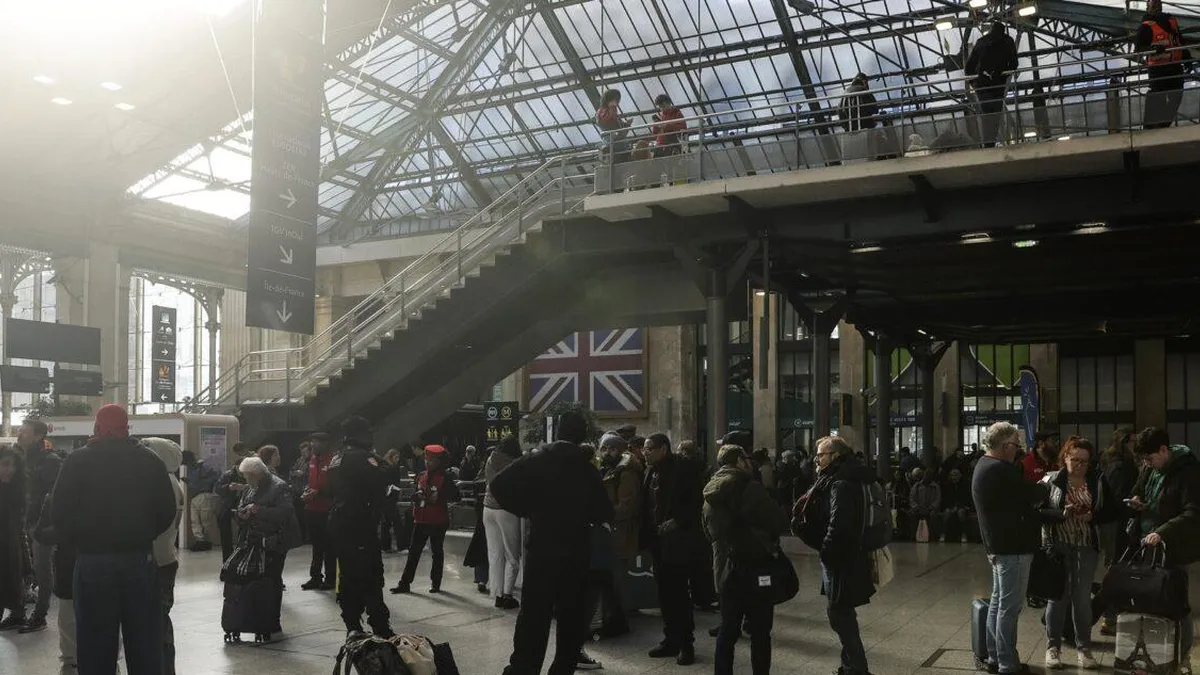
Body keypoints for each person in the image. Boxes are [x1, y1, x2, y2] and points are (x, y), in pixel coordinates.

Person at [50, 404, 177, 675]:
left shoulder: (77, 461)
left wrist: (81, 539)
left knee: (95, 638)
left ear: (97, 428)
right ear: (127, 428)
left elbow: (59, 511)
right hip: (139, 558)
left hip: (92, 560)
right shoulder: (150, 460)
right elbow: (167, 510)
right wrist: (143, 535)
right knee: (144, 637)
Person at [490, 410, 613, 675]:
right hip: (575, 552)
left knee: (534, 613)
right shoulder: (587, 469)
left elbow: (498, 485)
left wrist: (527, 509)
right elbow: (604, 511)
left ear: (557, 431)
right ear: (582, 436)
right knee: (571, 616)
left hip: (541, 548)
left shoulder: (536, 459)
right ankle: (562, 668)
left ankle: (524, 668)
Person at [703, 444, 789, 675]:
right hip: (758, 566)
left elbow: (708, 530)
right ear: (740, 461)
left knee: (728, 629)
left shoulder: (710, 488)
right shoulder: (751, 488)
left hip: (728, 566)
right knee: (760, 631)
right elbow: (778, 522)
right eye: (746, 459)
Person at [973, 421, 1049, 675]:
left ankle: (995, 657)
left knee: (998, 603)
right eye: (1016, 446)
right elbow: (1031, 494)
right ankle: (1007, 664)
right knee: (1009, 607)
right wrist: (1048, 484)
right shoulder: (1000, 469)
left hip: (997, 545)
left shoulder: (983, 464)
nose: (1018, 450)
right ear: (1005, 446)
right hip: (1012, 547)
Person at [1039, 437, 1116, 671]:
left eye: (1085, 461)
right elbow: (1037, 511)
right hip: (1058, 546)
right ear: (1065, 458)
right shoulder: (1050, 480)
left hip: (1086, 545)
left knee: (1082, 599)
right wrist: (1061, 514)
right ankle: (1053, 647)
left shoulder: (1097, 481)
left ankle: (1084, 648)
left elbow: (1111, 511)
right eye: (1075, 460)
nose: (1080, 465)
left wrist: (1092, 516)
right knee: (1058, 597)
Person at [1128, 427, 1200, 673]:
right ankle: (1157, 657)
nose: (1147, 464)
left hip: (1174, 547)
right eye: (1143, 461)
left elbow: (1193, 512)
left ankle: (1183, 658)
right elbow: (1138, 489)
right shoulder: (1149, 468)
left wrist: (1163, 532)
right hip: (1147, 544)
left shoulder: (1188, 471)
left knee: (1178, 605)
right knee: (1151, 604)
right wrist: (1136, 500)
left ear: (1163, 450)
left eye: (1150, 459)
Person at [803, 436, 876, 675]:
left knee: (838, 614)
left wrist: (826, 552)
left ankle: (858, 668)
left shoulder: (841, 483)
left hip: (841, 558)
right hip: (852, 554)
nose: (817, 460)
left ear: (835, 456)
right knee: (844, 612)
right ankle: (851, 666)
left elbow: (839, 524)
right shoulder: (852, 476)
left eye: (821, 455)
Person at [328, 416, 395, 638]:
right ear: (360, 435)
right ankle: (379, 625)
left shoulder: (337, 457)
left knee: (347, 573)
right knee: (371, 574)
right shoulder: (361, 457)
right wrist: (379, 459)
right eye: (368, 433)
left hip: (340, 522)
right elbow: (385, 474)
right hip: (359, 524)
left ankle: (352, 624)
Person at [642, 432, 704, 666]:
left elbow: (696, 500)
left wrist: (678, 520)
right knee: (665, 593)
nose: (645, 452)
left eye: (650, 448)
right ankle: (671, 639)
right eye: (645, 448)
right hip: (658, 541)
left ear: (664, 449)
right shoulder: (650, 471)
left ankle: (686, 644)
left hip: (679, 541)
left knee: (679, 593)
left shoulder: (682, 468)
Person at [235, 455, 301, 637]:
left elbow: (285, 513)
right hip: (255, 539)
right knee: (257, 579)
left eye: (248, 476)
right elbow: (241, 506)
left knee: (272, 579)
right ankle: (257, 619)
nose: (246, 480)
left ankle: (272, 621)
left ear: (257, 474)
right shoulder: (251, 487)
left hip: (276, 540)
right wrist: (241, 515)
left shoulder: (279, 487)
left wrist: (259, 510)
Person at [393, 444, 460, 594]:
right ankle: (404, 583)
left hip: (438, 520)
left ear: (439, 461)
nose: (427, 462)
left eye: (431, 459)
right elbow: (416, 493)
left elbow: (457, 496)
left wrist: (440, 496)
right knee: (414, 552)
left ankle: (436, 583)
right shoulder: (421, 475)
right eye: (426, 459)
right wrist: (417, 496)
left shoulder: (446, 477)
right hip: (421, 518)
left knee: (437, 552)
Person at [144, 437, 185, 675]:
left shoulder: (163, 483)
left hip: (158, 561)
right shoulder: (171, 481)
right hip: (165, 557)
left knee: (157, 622)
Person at [17, 419, 61, 633]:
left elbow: (53, 495)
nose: (20, 434)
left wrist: (41, 525)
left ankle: (40, 614)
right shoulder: (18, 457)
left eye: (25, 431)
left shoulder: (50, 461)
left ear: (38, 436)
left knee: (42, 568)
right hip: (21, 521)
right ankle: (17, 612)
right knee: (20, 566)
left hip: (40, 525)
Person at [1098, 427, 1139, 635]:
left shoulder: (1112, 461)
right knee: (1116, 569)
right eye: (1132, 441)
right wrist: (1134, 505)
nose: (1135, 445)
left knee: (1115, 568)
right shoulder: (1120, 466)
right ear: (1124, 442)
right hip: (1118, 524)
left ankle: (1112, 615)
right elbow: (1119, 498)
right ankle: (1110, 616)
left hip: (1114, 524)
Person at [484, 435, 524, 609]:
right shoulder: (516, 463)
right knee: (512, 556)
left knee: (495, 554)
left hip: (488, 509)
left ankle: (497, 595)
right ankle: (508, 595)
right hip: (507, 510)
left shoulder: (490, 459)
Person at [1137, 0, 1190, 129]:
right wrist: (1153, 48)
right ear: (1147, 7)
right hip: (1158, 70)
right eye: (1153, 4)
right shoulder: (1145, 27)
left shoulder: (1171, 20)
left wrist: (1187, 57)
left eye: (1158, 4)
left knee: (1175, 98)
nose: (1156, 7)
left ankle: (1162, 126)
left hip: (1175, 67)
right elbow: (1138, 49)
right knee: (1157, 98)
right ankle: (1150, 128)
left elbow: (1178, 40)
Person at [965, 22, 1018, 146]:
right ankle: (990, 143)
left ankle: (988, 144)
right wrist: (1001, 74)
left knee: (986, 115)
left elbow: (969, 67)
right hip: (997, 85)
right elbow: (1014, 64)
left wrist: (974, 82)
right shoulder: (1007, 41)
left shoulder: (981, 41)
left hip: (982, 85)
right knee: (995, 116)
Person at [301, 432, 337, 591]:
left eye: (315, 442)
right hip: (312, 508)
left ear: (325, 443)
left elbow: (336, 487)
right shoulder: (312, 460)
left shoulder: (334, 461)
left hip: (327, 509)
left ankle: (330, 578)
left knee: (329, 546)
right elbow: (311, 481)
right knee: (316, 546)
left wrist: (319, 493)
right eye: (312, 442)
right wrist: (307, 491)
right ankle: (315, 577)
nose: (312, 445)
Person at [0, 445, 27, 631]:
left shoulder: (17, 490)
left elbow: (19, 529)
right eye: (5, 464)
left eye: (13, 465)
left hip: (9, 550)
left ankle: (17, 614)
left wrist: (26, 563)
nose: (10, 469)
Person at [214, 443, 255, 561]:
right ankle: (227, 559)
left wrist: (244, 487)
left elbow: (255, 487)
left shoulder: (249, 475)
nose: (242, 472)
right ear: (236, 466)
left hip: (242, 505)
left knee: (244, 531)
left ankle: (241, 556)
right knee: (225, 533)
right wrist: (229, 487)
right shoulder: (227, 475)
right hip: (226, 505)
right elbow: (217, 488)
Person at [182, 449, 220, 553]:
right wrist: (190, 482)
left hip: (204, 494)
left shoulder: (204, 466)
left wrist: (201, 484)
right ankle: (200, 541)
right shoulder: (192, 469)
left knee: (205, 521)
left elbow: (216, 476)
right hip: (195, 496)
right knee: (195, 520)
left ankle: (205, 541)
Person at [378, 448, 406, 553]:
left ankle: (385, 546)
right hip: (391, 498)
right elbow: (395, 482)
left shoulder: (383, 467)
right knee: (397, 522)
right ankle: (401, 546)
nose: (397, 459)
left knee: (386, 523)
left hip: (385, 498)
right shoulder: (393, 468)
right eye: (396, 457)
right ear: (391, 457)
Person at [596, 89, 634, 164]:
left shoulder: (599, 112)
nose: (618, 102)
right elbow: (618, 129)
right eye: (617, 99)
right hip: (618, 145)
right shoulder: (612, 110)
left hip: (609, 142)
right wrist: (627, 125)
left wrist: (625, 124)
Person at [940, 468, 974, 543]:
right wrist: (950, 507)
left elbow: (966, 499)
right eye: (952, 475)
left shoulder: (965, 485)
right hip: (950, 506)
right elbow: (946, 499)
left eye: (956, 475)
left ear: (960, 475)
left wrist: (958, 507)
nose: (954, 477)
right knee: (947, 513)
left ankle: (964, 534)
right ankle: (943, 533)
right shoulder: (947, 486)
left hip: (963, 506)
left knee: (961, 513)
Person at [288, 442, 312, 544]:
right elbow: (291, 471)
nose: (303, 454)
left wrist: (303, 474)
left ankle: (309, 538)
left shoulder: (313, 460)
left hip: (307, 492)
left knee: (307, 517)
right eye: (302, 452)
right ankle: (301, 537)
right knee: (299, 516)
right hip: (297, 492)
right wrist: (295, 473)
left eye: (305, 452)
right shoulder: (300, 460)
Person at [909, 468, 942, 541]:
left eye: (929, 476)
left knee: (933, 515)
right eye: (926, 475)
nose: (927, 477)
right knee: (911, 513)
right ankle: (913, 535)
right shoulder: (917, 486)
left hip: (931, 509)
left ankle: (931, 536)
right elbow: (911, 499)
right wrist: (917, 507)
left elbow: (938, 499)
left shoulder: (936, 487)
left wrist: (930, 508)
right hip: (918, 508)